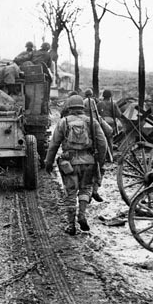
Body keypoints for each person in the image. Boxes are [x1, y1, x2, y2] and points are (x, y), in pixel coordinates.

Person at [45, 95, 107, 235]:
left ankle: (71, 225)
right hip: (89, 161)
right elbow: (103, 143)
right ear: (82, 108)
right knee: (85, 189)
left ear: (69, 108)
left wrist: (48, 162)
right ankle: (82, 215)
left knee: (70, 192)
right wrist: (100, 161)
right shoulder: (92, 121)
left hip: (70, 163)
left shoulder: (63, 122)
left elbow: (53, 144)